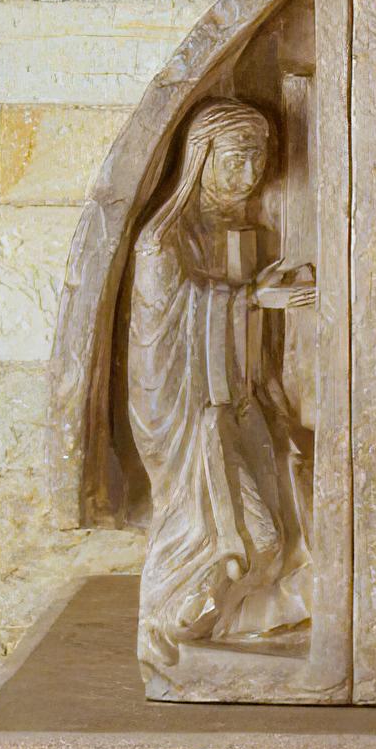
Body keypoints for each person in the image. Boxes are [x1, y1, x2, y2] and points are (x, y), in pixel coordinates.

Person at [126, 104, 315, 673]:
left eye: (258, 159)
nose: (249, 174)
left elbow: (231, 304)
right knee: (214, 530)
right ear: (201, 158)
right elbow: (167, 338)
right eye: (235, 159)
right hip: (187, 416)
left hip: (237, 402)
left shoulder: (237, 232)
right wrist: (253, 299)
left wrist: (259, 294)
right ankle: (171, 623)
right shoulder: (162, 241)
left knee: (272, 533)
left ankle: (231, 620)